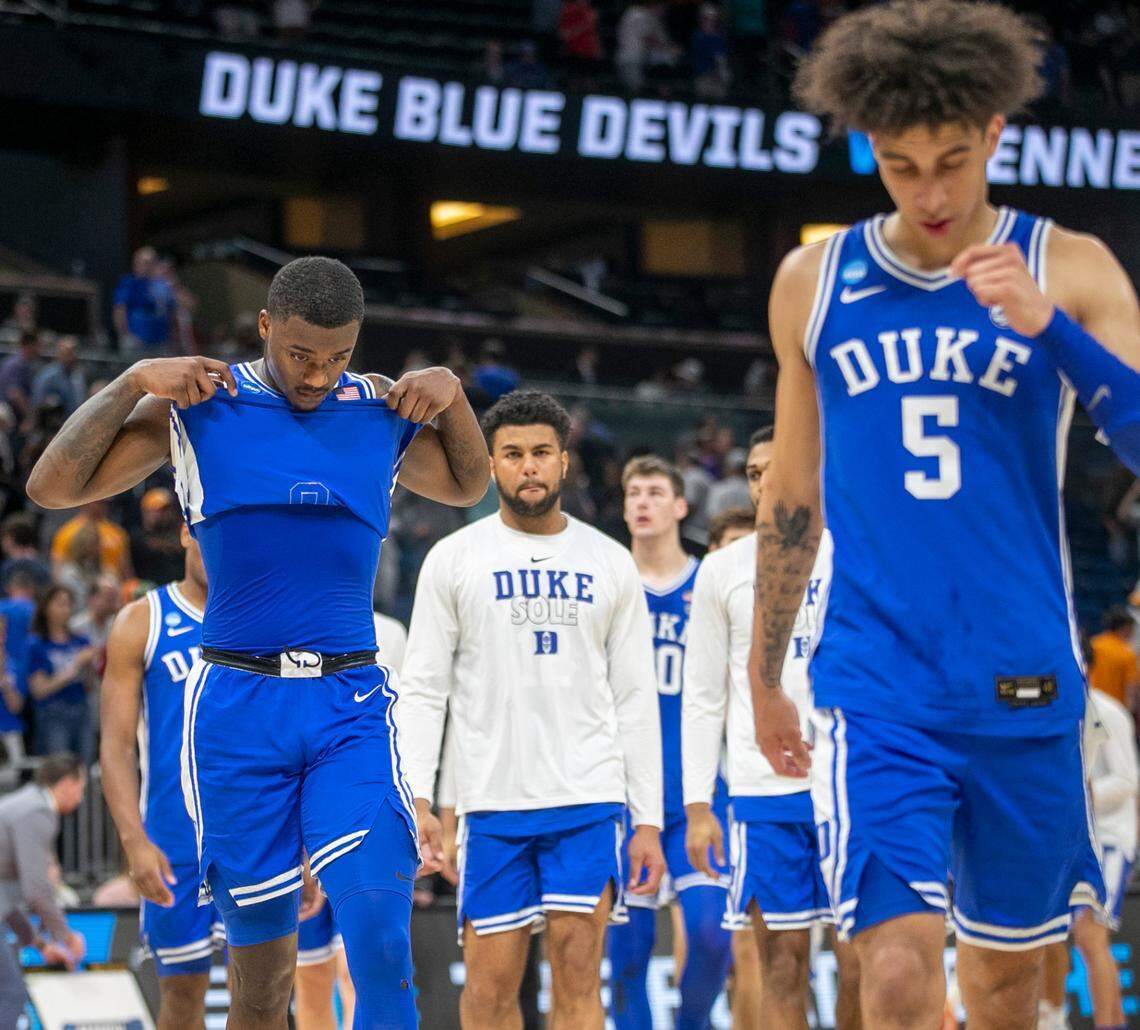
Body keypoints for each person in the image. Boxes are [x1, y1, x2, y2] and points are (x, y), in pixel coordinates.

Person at [752, 2, 1136, 1025]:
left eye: (953, 162)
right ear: (871, 148)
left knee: (1009, 989)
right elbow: (791, 496)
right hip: (879, 687)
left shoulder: (1072, 266)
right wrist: (763, 674)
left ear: (998, 135)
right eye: (901, 165)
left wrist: (1052, 329)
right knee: (895, 973)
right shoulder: (813, 282)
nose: (929, 192)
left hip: (1024, 680)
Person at [28, 255, 489, 1028]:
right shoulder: (204, 404)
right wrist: (134, 378)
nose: (317, 374)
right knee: (262, 983)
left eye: (337, 355)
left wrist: (456, 402)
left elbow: (469, 485)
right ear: (266, 326)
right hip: (239, 709)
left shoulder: (379, 411)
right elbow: (52, 486)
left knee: (380, 939)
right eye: (301, 353)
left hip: (349, 703)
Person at [398, 390, 666, 1030]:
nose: (529, 467)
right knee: (488, 995)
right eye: (513, 454)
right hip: (493, 802)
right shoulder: (454, 559)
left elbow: (634, 695)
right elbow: (425, 687)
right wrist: (418, 797)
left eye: (542, 452)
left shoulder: (610, 562)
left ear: (565, 462)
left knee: (579, 985)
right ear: (491, 465)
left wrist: (649, 818)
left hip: (587, 796)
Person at [684, 426, 860, 1028]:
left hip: (851, 782)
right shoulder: (723, 568)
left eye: (775, 467)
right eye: (753, 473)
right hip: (763, 793)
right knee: (781, 965)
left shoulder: (854, 551)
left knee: (859, 960)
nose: (763, 481)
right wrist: (699, 803)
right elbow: (703, 695)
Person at [607, 454, 731, 1030]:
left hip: (697, 792)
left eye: (655, 491)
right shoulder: (605, 580)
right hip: (627, 795)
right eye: (633, 492)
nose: (642, 502)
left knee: (711, 937)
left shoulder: (712, 582)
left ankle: (693, 1023)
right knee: (627, 958)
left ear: (681, 506)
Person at [100, 527, 229, 1028]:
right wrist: (133, 841)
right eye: (205, 532)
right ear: (184, 533)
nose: (216, 545)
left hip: (256, 834)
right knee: (180, 998)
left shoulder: (265, 617)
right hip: (175, 840)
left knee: (262, 994)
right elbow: (114, 746)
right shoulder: (142, 621)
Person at [292, 611, 406, 1030]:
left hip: (367, 826)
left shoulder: (391, 632)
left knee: (362, 973)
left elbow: (404, 733)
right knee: (311, 979)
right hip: (306, 829)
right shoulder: (291, 627)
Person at [1039, 687, 1139, 1030]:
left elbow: (1129, 780)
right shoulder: (1050, 705)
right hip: (1068, 839)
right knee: (1051, 936)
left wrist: (1080, 793)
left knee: (1089, 933)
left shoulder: (1107, 710)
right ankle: (1053, 1021)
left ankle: (1111, 1025)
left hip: (1110, 836)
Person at [0, 753, 88, 1025]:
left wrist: (41, 945)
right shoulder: (37, 811)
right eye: (81, 788)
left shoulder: (21, 804)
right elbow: (37, 889)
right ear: (66, 784)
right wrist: (66, 936)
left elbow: (5, 902)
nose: (81, 798)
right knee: (10, 992)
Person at [26, 584, 96, 761]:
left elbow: (88, 685)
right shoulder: (37, 644)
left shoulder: (80, 640)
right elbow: (39, 690)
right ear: (46, 608)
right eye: (60, 604)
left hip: (81, 707)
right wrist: (75, 666)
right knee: (60, 766)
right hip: (53, 712)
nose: (65, 609)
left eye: (68, 604)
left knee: (84, 765)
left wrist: (89, 667)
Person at [1088, 606, 1139, 709]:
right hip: (1116, 709)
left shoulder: (1093, 645)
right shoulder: (1127, 654)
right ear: (1126, 628)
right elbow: (1131, 688)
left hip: (1092, 705)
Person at [31, 336, 87, 416]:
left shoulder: (78, 376)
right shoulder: (48, 376)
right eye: (68, 354)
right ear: (59, 355)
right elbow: (38, 402)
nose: (72, 357)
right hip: (54, 424)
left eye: (74, 352)